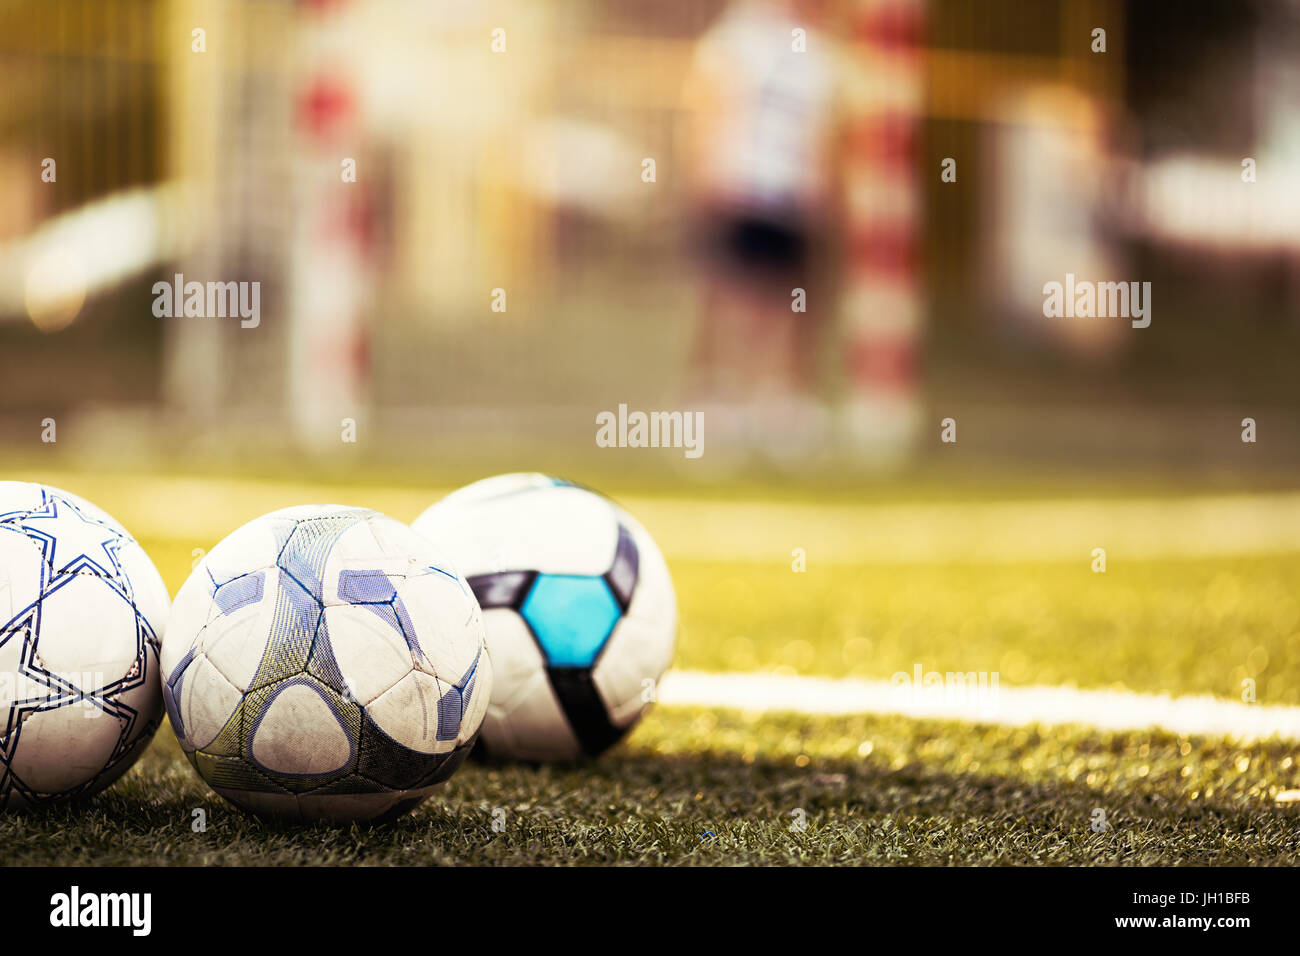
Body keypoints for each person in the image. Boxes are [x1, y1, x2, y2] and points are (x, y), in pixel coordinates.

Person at [681, 0, 840, 459]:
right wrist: (705, 173)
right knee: (726, 297)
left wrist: (823, 191)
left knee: (789, 305)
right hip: (738, 188)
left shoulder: (817, 52)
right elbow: (708, 104)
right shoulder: (738, 37)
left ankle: (780, 406)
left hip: (792, 196)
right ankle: (711, 401)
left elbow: (823, 129)